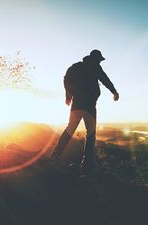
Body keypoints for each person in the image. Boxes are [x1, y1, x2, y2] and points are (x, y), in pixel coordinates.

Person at [51, 49, 119, 179]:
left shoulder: (76, 67)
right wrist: (114, 92)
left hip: (76, 104)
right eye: (99, 60)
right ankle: (86, 166)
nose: (100, 62)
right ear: (96, 59)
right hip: (89, 106)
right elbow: (105, 79)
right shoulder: (95, 67)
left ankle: (56, 154)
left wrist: (68, 95)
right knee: (91, 134)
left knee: (70, 129)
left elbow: (66, 79)